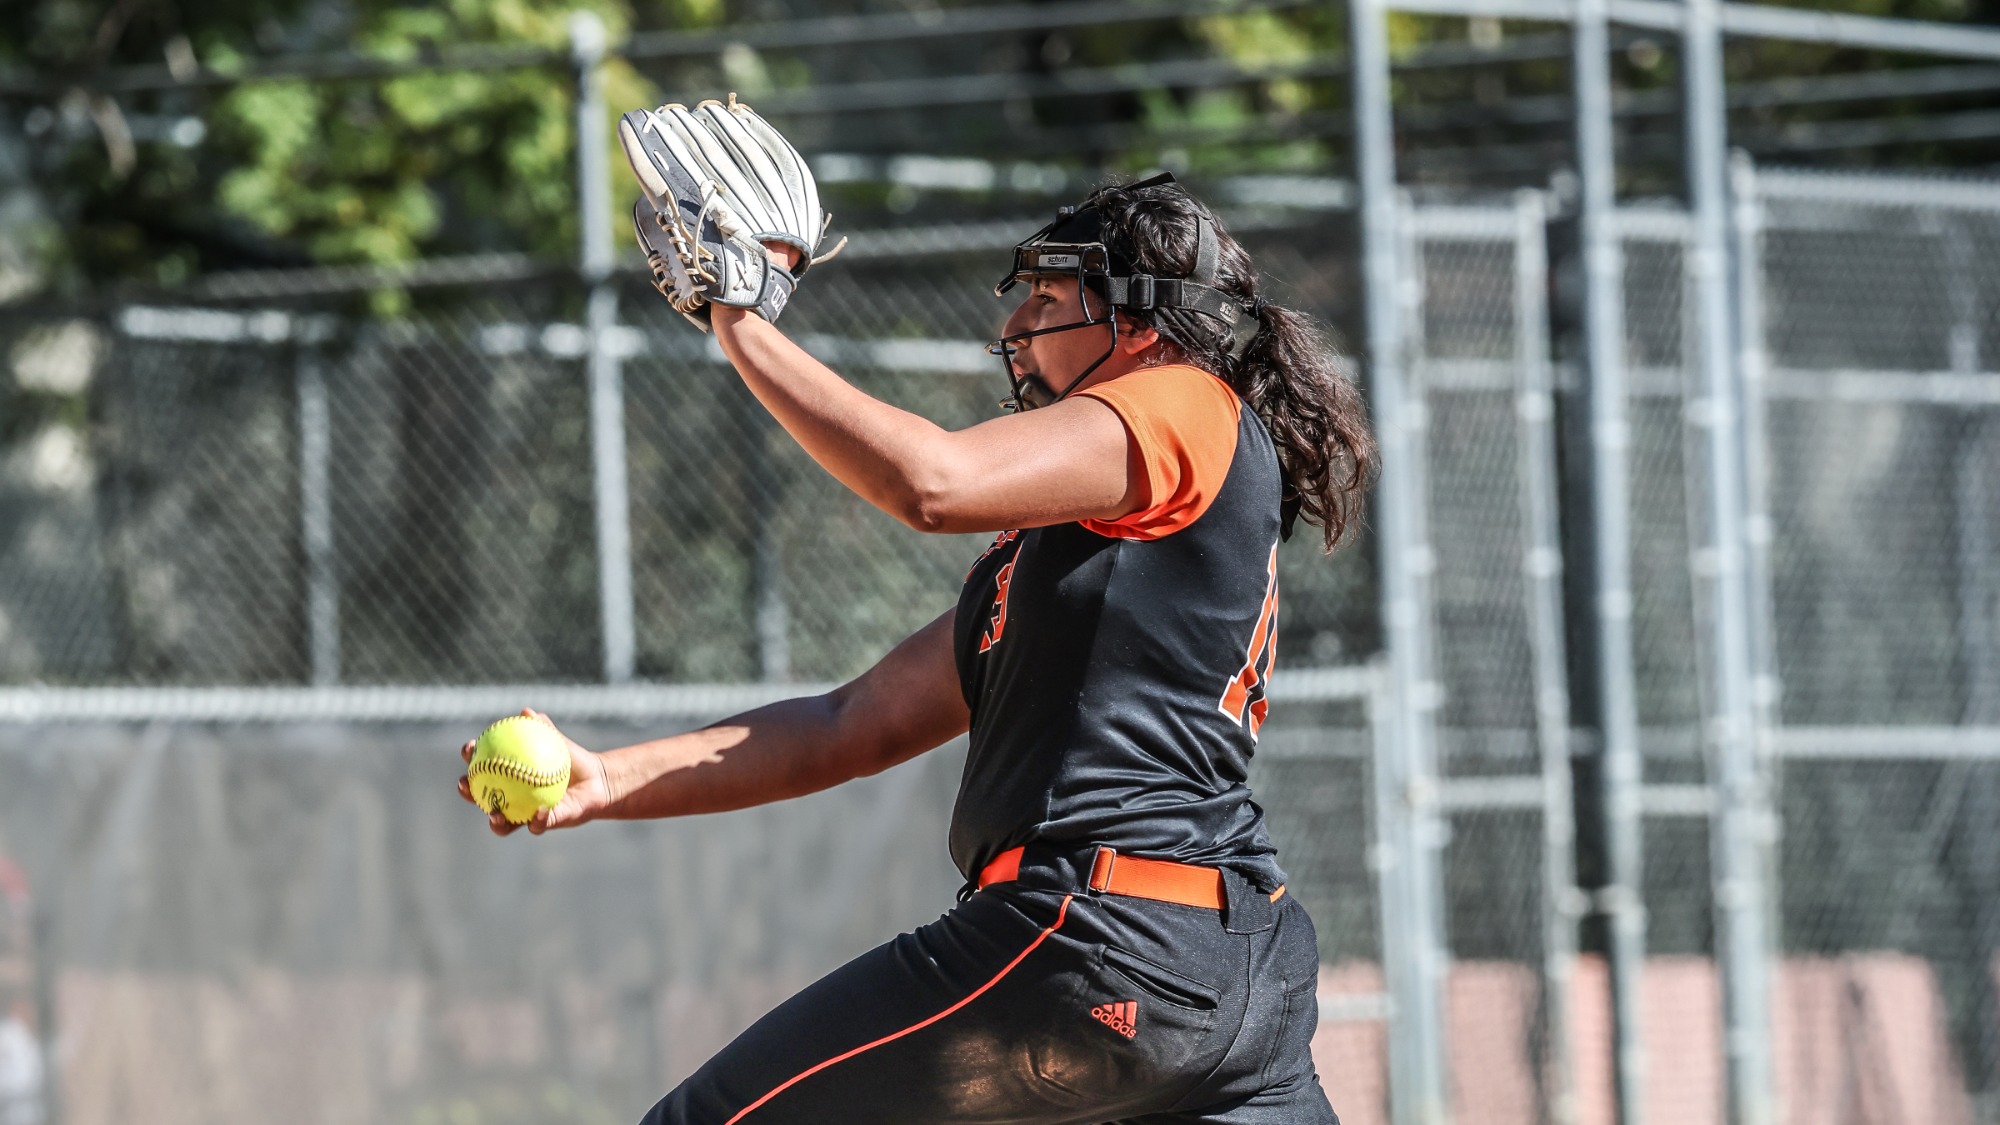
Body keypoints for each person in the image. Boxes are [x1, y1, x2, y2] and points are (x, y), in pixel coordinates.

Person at [458, 174, 1375, 1124]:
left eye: (1051, 297)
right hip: (1229, 973)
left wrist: (740, 320)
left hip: (1098, 941)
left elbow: (930, 482)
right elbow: (848, 723)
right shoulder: (1065, 565)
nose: (1019, 322)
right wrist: (606, 778)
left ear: (1143, 325)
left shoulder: (1186, 398)